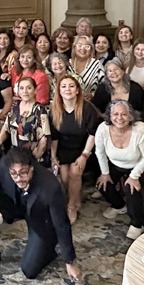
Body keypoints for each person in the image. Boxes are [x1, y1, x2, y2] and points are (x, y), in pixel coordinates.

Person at [0, 147, 82, 283]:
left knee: (29, 270)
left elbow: (61, 224)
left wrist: (69, 261)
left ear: (31, 168)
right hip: (15, 205)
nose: (18, 178)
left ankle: (48, 250)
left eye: (23, 173)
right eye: (13, 174)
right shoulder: (4, 165)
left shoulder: (50, 186)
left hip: (39, 219)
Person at [95, 100, 144, 238]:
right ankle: (119, 205)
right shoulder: (103, 129)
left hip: (140, 163)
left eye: (124, 114)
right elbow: (100, 153)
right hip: (117, 163)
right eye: (115, 114)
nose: (119, 118)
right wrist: (105, 173)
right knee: (102, 184)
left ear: (130, 116)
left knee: (131, 188)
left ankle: (137, 223)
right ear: (110, 116)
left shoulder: (140, 129)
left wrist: (134, 176)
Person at [50, 75, 100, 224]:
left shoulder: (87, 108)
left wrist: (84, 155)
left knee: (75, 174)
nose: (68, 89)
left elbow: (93, 134)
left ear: (78, 90)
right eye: (64, 86)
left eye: (71, 86)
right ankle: (76, 196)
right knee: (65, 179)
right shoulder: (55, 109)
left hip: (83, 148)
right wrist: (53, 156)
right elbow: (54, 137)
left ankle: (71, 206)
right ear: (59, 91)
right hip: (63, 149)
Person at [0, 77, 51, 167]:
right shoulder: (15, 106)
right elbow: (6, 127)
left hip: (33, 157)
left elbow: (44, 139)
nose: (25, 91)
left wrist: (33, 160)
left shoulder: (40, 110)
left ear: (35, 90)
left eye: (29, 88)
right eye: (21, 88)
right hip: (16, 155)